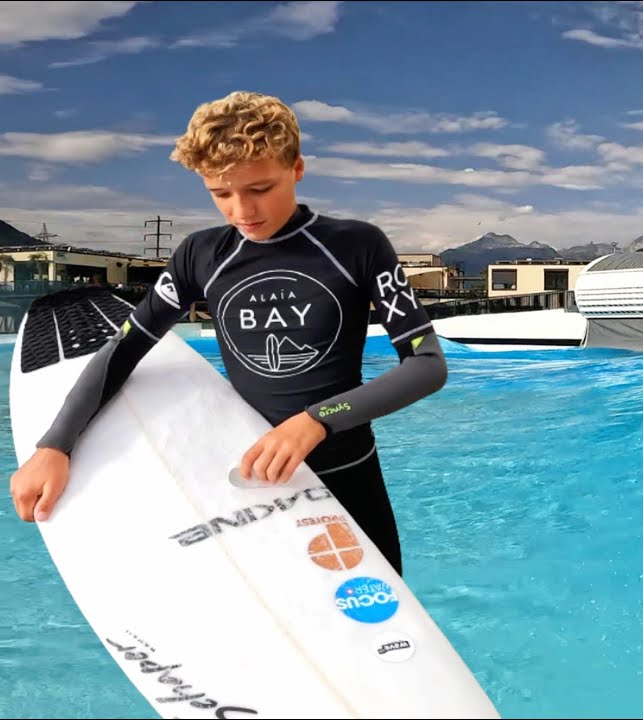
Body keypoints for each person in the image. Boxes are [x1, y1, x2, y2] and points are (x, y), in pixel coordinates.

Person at [7, 91, 448, 577]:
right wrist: (54, 445)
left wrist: (317, 420)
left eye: (261, 188)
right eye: (221, 193)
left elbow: (426, 365)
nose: (242, 211)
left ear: (297, 168)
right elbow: (124, 349)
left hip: (348, 473)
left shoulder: (356, 244)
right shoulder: (201, 254)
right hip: (247, 481)